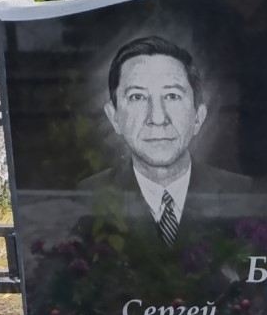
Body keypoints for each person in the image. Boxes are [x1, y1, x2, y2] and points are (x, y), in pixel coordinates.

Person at [79, 36, 250, 243]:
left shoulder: (243, 195)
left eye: (172, 96)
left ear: (198, 116)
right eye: (137, 97)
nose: (158, 118)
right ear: (114, 117)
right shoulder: (86, 197)